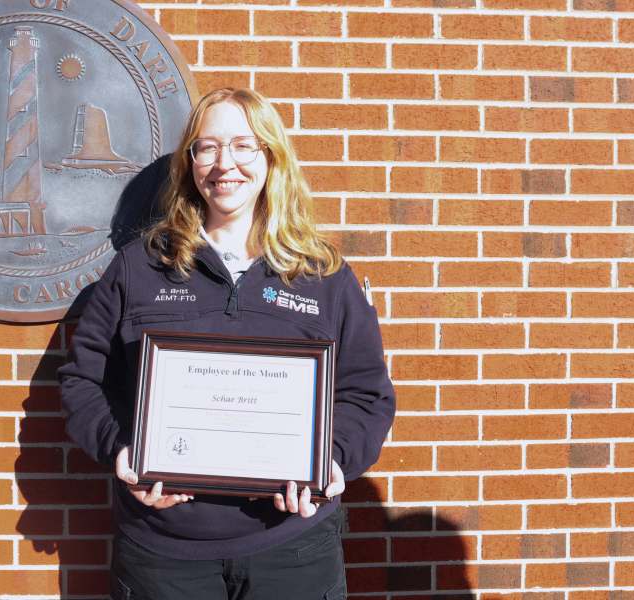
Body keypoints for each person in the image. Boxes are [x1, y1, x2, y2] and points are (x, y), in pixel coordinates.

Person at [58, 88, 396, 600]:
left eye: (244, 146)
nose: (224, 164)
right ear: (190, 162)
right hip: (162, 556)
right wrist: (124, 448)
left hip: (292, 549)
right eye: (206, 147)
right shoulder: (138, 267)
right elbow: (84, 380)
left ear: (270, 157)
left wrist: (329, 460)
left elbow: (366, 394)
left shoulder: (324, 276)